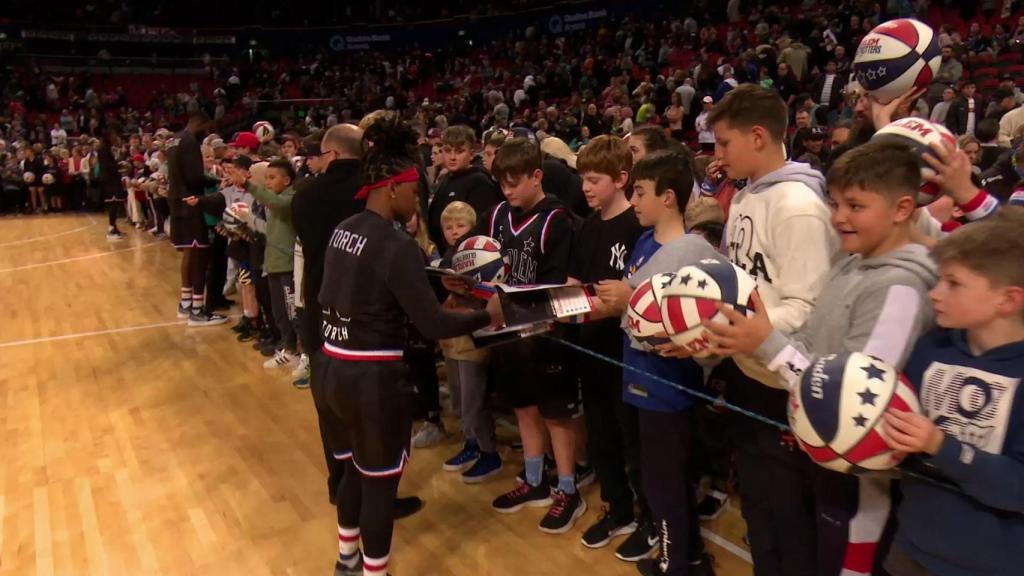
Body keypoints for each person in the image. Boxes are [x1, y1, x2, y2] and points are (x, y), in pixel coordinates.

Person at [704, 141, 939, 576]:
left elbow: (855, 403)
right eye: (834, 203)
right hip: (826, 460)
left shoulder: (900, 288)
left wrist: (767, 342)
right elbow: (815, 347)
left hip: (864, 484)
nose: (838, 217)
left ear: (903, 208)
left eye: (855, 205)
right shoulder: (852, 264)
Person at [317, 115, 502, 576]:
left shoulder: (346, 228)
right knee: (380, 485)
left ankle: (346, 560)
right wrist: (488, 314)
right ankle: (374, 572)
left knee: (353, 472)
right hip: (371, 379)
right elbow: (434, 323)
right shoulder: (395, 243)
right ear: (393, 188)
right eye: (414, 190)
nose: (417, 199)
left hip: (329, 369)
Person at [705, 84, 838, 576]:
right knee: (757, 508)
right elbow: (738, 281)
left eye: (723, 143)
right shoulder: (744, 197)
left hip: (784, 386)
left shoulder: (798, 205)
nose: (716, 155)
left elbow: (810, 307)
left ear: (757, 136)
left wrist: (735, 328)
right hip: (746, 371)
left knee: (789, 517)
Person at [592, 149, 721, 576]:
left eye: (641, 193)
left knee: (666, 480)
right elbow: (636, 302)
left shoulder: (694, 252)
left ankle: (677, 563)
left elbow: (702, 322)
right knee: (657, 476)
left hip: (668, 385)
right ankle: (685, 555)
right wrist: (613, 304)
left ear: (668, 197)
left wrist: (628, 303)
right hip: (641, 375)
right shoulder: (646, 241)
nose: (635, 202)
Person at [883, 209, 1024, 576]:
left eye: (953, 283)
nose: (935, 293)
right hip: (912, 545)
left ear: (1008, 300)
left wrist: (941, 446)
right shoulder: (930, 348)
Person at [457, 139, 581, 533]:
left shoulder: (558, 219)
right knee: (524, 408)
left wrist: (504, 300)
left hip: (545, 335)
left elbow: (557, 285)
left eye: (514, 183)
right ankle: (534, 480)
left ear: (536, 176)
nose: (507, 191)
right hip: (507, 333)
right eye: (502, 184)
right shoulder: (494, 215)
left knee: (555, 414)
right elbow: (471, 260)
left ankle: (567, 488)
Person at [569, 135, 652, 560]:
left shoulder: (637, 227)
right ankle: (618, 509)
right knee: (601, 437)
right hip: (591, 349)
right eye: (583, 178)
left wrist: (604, 304)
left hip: (626, 351)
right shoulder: (587, 226)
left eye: (594, 179)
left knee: (633, 440)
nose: (586, 187)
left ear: (622, 178)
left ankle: (652, 520)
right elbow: (576, 282)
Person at [437, 201, 502, 482]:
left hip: (474, 339)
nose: (454, 232)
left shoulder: (483, 255)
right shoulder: (447, 259)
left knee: (474, 400)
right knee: (459, 399)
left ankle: (489, 452)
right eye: (448, 227)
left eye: (460, 226)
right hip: (451, 338)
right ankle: (471, 444)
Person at [239, 159, 301, 370]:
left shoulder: (289, 199)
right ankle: (289, 350)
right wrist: (247, 222)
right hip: (274, 265)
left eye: (272, 177)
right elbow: (269, 230)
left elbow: (277, 204)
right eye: (265, 178)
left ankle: (304, 356)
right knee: (280, 314)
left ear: (287, 179)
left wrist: (247, 184)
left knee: (294, 315)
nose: (267, 182)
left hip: (288, 266)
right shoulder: (275, 202)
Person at [167, 112, 227, 326]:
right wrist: (216, 179)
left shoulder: (173, 139)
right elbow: (194, 176)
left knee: (188, 252)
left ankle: (185, 303)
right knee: (200, 253)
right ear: (199, 123)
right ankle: (198, 310)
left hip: (175, 201)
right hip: (191, 202)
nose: (206, 134)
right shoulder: (190, 141)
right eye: (206, 129)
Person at [426, 126, 504, 253]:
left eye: (459, 151)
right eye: (447, 150)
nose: (452, 157)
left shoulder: (480, 183)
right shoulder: (445, 180)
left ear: (471, 154)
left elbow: (481, 232)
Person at [96, 128, 126, 239]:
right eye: (113, 134)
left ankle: (114, 228)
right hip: (110, 180)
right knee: (113, 203)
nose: (115, 137)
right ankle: (111, 229)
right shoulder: (104, 149)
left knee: (116, 203)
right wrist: (120, 165)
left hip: (110, 179)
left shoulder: (106, 148)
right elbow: (107, 166)